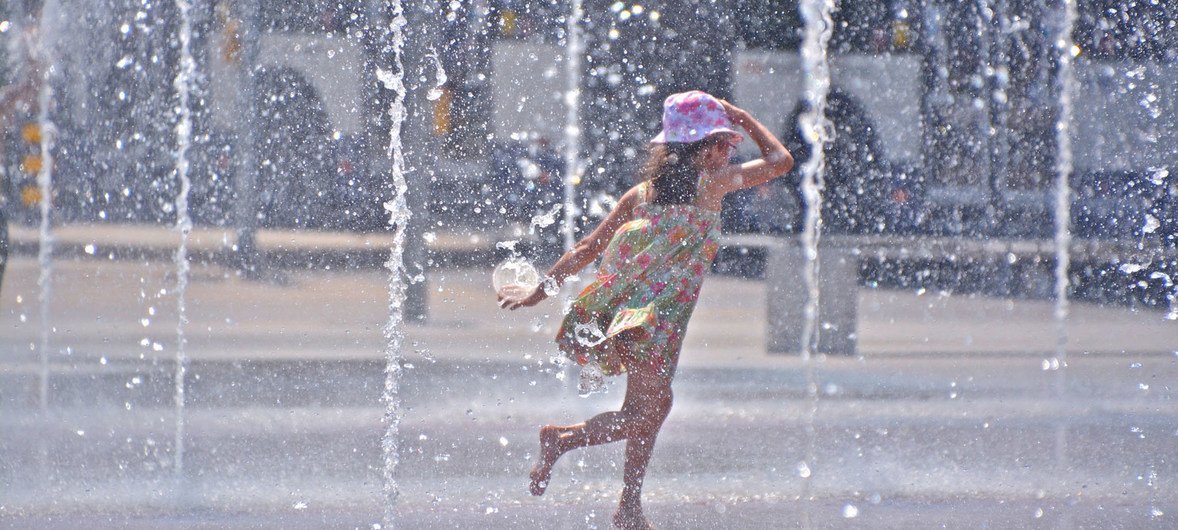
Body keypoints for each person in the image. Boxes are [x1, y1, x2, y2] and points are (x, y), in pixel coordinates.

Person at [498, 90, 793, 529]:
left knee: (655, 405)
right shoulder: (712, 184)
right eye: (725, 143)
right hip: (652, 322)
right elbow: (781, 161)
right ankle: (562, 441)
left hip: (641, 317)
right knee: (645, 411)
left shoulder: (641, 195)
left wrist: (538, 293)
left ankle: (630, 506)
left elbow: (587, 248)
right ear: (706, 148)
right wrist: (745, 117)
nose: (729, 152)